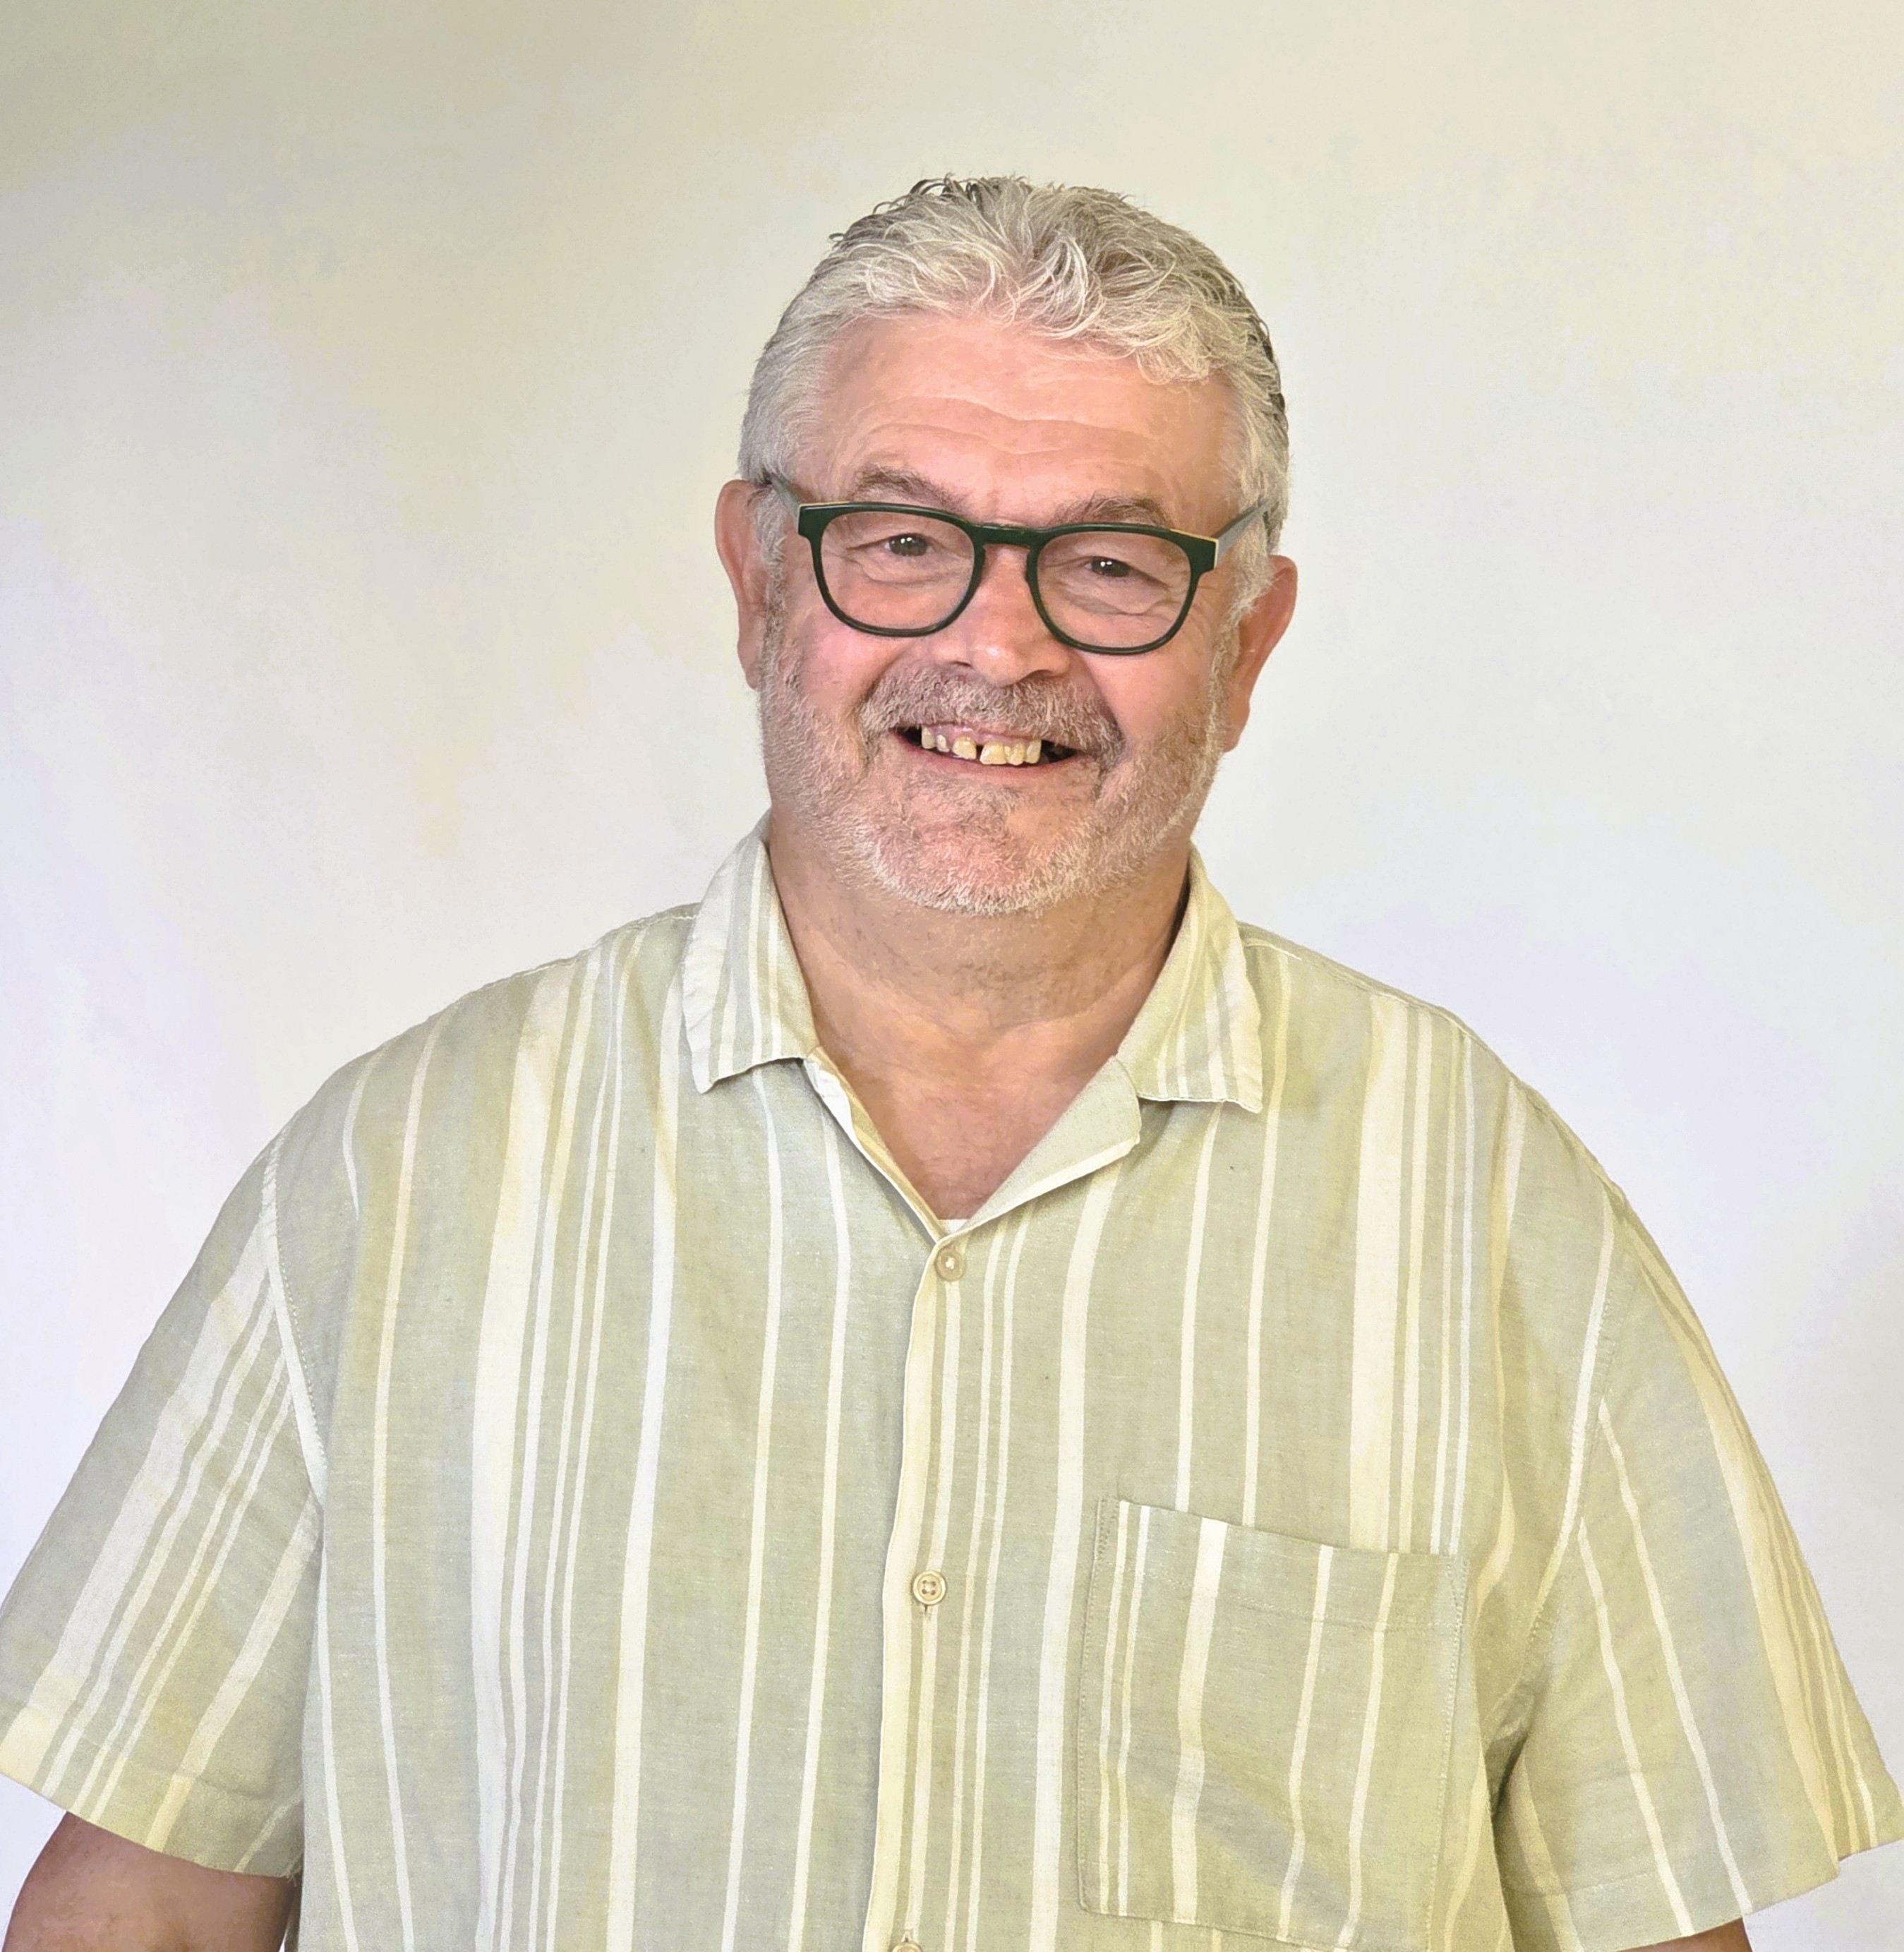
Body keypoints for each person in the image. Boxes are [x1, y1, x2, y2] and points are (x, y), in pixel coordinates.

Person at [0, 175, 1895, 1952]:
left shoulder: (1484, 1209)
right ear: (759, 582)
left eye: (1113, 564)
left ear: (1246, 643)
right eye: (902, 542)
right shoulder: (402, 1173)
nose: (996, 646)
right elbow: (137, 1917)